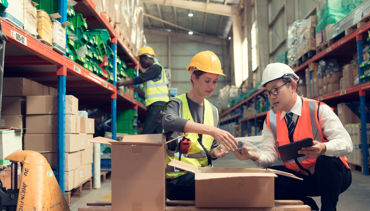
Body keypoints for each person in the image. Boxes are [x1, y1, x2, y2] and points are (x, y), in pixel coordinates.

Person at [233, 63, 352, 211]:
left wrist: (323, 147)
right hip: (300, 177)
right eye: (268, 92)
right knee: (267, 178)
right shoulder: (271, 120)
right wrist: (254, 155)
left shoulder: (318, 109)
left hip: (331, 177)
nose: (271, 96)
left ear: (293, 86)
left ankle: (328, 208)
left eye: (275, 89)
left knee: (327, 160)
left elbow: (347, 143)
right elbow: (269, 156)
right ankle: (309, 207)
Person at [163, 51, 238, 200]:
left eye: (215, 81)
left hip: (203, 174)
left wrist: (213, 153)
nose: (212, 86)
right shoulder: (176, 104)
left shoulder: (213, 111)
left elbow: (208, 151)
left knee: (237, 183)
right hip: (177, 178)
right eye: (207, 80)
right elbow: (168, 121)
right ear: (194, 77)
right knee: (227, 188)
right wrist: (210, 130)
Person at [118, 46, 169, 134]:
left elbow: (140, 79)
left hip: (157, 107)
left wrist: (120, 84)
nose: (140, 63)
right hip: (159, 107)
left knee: (145, 135)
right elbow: (146, 94)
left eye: (140, 60)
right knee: (156, 137)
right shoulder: (153, 73)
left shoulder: (156, 68)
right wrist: (135, 89)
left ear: (145, 57)